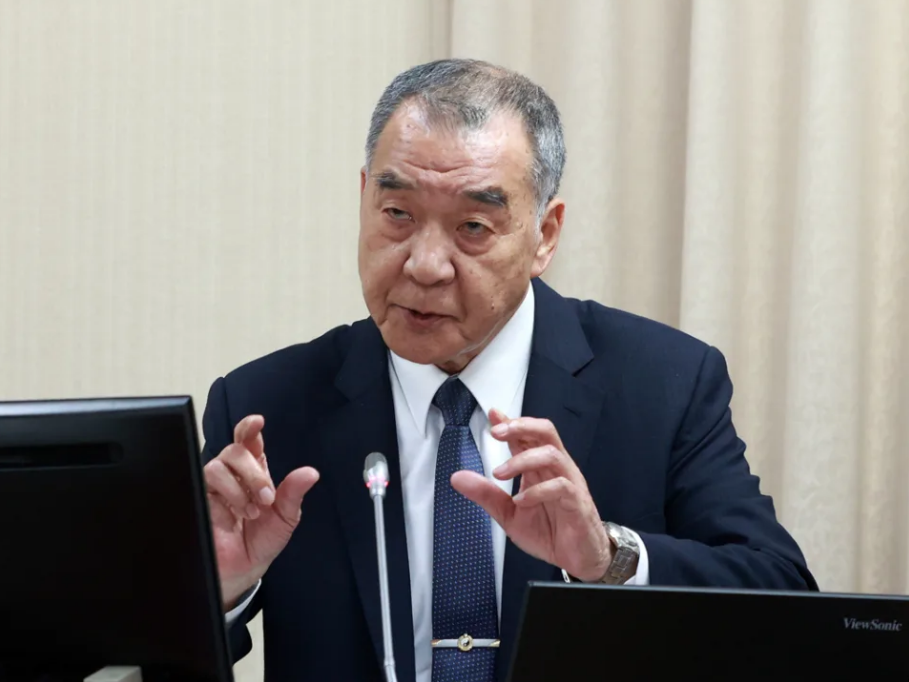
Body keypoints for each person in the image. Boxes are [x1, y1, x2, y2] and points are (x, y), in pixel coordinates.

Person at [201, 59, 816, 682]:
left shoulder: (664, 384)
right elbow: (164, 659)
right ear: (364, 199)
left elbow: (785, 603)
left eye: (472, 226)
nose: (425, 265)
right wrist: (217, 590)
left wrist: (608, 559)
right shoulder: (264, 408)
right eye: (397, 214)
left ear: (544, 235)